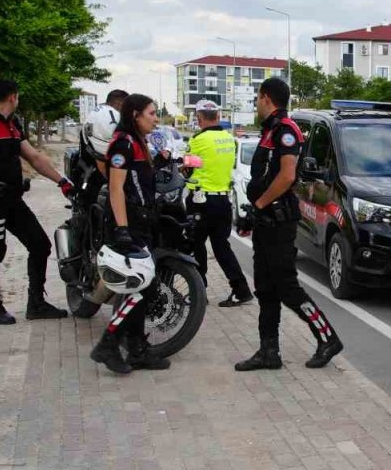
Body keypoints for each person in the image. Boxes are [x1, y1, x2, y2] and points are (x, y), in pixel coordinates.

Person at [233, 78, 343, 371]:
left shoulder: (286, 130)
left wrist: (257, 206)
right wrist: (254, 213)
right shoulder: (269, 131)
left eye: (257, 98)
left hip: (279, 221)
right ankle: (269, 352)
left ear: (266, 97)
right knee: (266, 288)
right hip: (266, 221)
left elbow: (286, 176)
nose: (255, 103)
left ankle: (327, 337)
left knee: (286, 286)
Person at [0, 78, 73, 325]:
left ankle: (36, 304)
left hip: (12, 200)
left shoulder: (12, 125)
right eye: (17, 97)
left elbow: (34, 158)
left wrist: (62, 181)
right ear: (12, 97)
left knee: (40, 244)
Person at [88, 93, 172, 374]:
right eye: (151, 113)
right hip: (129, 224)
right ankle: (108, 344)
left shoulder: (138, 142)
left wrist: (160, 162)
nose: (156, 118)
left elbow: (139, 180)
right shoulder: (123, 143)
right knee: (140, 288)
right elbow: (116, 188)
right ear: (135, 114)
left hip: (142, 220)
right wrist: (123, 229)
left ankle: (136, 349)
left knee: (143, 288)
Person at [186, 100, 253, 307]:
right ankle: (241, 290)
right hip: (223, 201)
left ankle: (199, 292)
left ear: (198, 119)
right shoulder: (229, 140)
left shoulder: (197, 141)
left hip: (201, 201)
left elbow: (188, 168)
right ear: (218, 116)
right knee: (222, 247)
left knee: (196, 246)